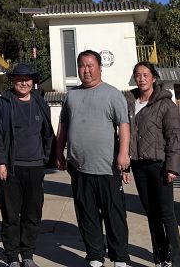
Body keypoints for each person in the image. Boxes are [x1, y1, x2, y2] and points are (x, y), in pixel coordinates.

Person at [56, 50, 131, 267]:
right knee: (86, 215)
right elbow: (63, 125)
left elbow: (123, 125)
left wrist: (123, 153)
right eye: (82, 66)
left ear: (99, 67)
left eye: (90, 66)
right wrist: (58, 152)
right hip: (79, 167)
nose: (86, 70)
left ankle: (120, 258)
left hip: (107, 168)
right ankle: (95, 256)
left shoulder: (113, 94)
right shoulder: (71, 96)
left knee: (114, 215)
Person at [0, 62, 55, 267]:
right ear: (13, 81)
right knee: (10, 214)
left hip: (35, 167)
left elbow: (47, 133)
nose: (23, 83)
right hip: (11, 168)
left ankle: (27, 255)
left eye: (27, 79)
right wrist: (0, 162)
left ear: (33, 81)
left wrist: (45, 158)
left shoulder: (40, 103)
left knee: (32, 213)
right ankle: (11, 257)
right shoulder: (2, 104)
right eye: (19, 79)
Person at [125, 62, 180, 267]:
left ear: (154, 78)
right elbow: (124, 135)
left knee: (166, 214)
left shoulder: (165, 104)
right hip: (138, 165)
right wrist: (125, 164)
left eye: (145, 74)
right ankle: (161, 257)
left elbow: (174, 136)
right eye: (138, 75)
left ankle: (177, 261)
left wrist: (173, 167)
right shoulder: (130, 103)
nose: (141, 78)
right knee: (151, 213)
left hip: (159, 166)